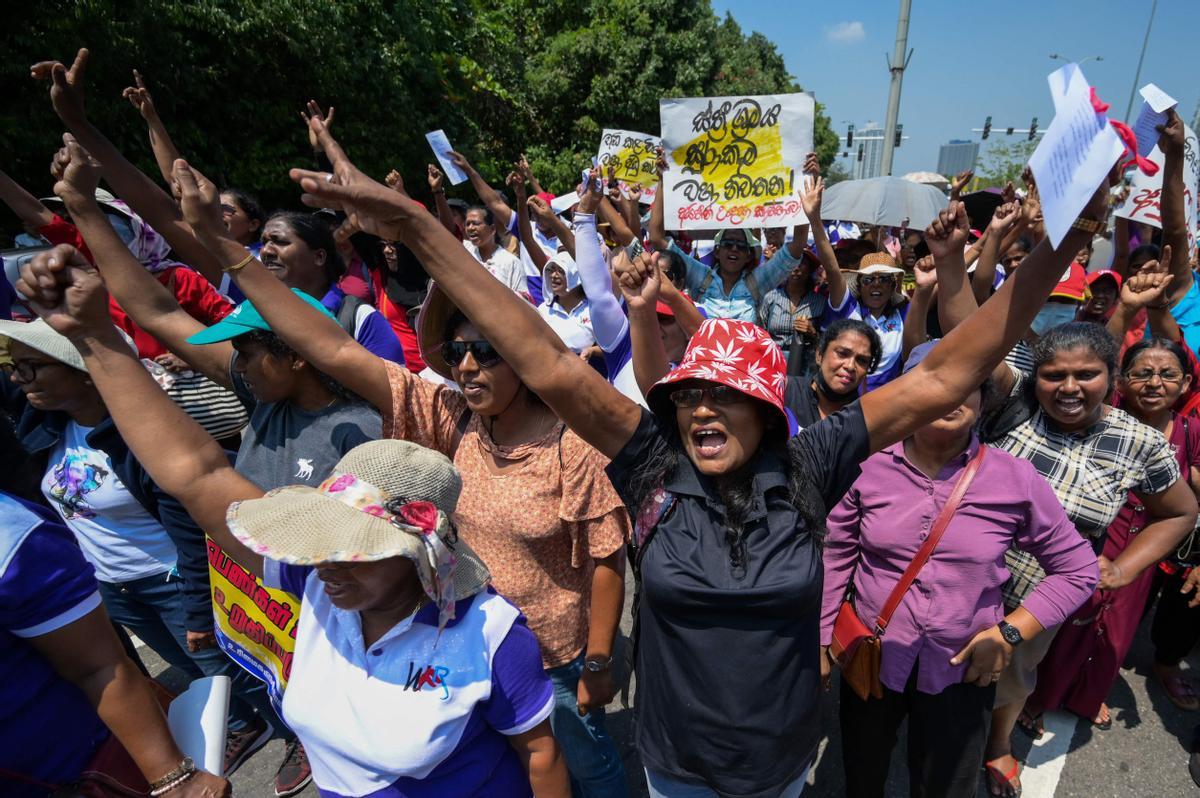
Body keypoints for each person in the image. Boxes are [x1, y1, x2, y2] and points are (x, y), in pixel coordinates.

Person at [270, 117, 1113, 798]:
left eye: (723, 396)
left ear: (762, 408)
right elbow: (541, 357)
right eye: (686, 396)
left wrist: (1056, 246)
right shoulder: (650, 464)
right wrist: (419, 227)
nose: (700, 406)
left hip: (782, 762)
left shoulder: (814, 464)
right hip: (674, 767)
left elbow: (954, 370)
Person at [14, 244, 571, 797]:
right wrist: (94, 339)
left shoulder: (489, 634)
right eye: (322, 540)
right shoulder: (319, 587)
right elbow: (197, 476)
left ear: (417, 556)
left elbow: (540, 754)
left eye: (355, 548)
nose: (325, 564)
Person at [169, 152, 633, 798]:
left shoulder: (571, 449)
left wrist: (600, 660)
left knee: (580, 764)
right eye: (459, 351)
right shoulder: (449, 421)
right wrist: (230, 253)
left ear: (524, 362)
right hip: (442, 637)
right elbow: (329, 348)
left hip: (550, 654)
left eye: (487, 352)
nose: (466, 366)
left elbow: (608, 560)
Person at [49, 139, 382, 795]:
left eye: (249, 355)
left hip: (353, 637)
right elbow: (154, 312)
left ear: (295, 356)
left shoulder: (362, 435)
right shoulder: (261, 395)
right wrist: (84, 211)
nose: (238, 368)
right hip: (278, 632)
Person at [822, 341, 1098, 798]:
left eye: (966, 385)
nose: (951, 398)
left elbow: (1077, 570)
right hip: (871, 659)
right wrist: (821, 637)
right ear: (907, 394)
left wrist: (1009, 634)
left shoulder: (1015, 479)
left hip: (963, 671)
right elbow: (836, 554)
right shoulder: (865, 465)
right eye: (934, 385)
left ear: (983, 397)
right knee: (862, 771)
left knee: (946, 786)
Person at [0, 318, 271, 775]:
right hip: (117, 589)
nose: (17, 378)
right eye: (15, 368)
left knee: (240, 670)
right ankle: (245, 726)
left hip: (174, 580)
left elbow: (190, 532)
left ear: (83, 370)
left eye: (31, 367)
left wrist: (199, 605)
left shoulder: (142, 435)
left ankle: (294, 733)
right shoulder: (44, 429)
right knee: (195, 671)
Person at [32, 56, 405, 365]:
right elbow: (167, 212)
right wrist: (77, 123)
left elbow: (394, 406)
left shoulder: (359, 321)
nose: (267, 250)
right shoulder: (252, 301)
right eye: (263, 242)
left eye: (279, 241)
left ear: (320, 255)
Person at [0, 489, 230, 798]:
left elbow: (100, 667)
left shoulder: (11, 538)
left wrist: (175, 780)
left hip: (76, 776)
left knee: (217, 665)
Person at [1027, 336, 1200, 730]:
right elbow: (1090, 355)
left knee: (1118, 627)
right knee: (1073, 617)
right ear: (1119, 383)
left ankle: (1087, 694)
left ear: (1186, 384)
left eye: (1167, 374)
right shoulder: (1100, 411)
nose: (1154, 383)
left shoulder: (1191, 432)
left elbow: (1189, 504)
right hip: (1107, 528)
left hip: (1148, 539)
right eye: (1143, 373)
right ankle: (1040, 697)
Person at [647, 150, 813, 323]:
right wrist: (663, 181)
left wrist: (804, 181)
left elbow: (796, 247)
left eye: (741, 246)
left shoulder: (757, 281)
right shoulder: (701, 277)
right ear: (717, 251)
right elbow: (657, 237)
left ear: (748, 255)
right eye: (728, 243)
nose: (734, 248)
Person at [759, 250, 824, 376]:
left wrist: (812, 332)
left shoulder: (819, 302)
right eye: (792, 263)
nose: (796, 267)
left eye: (802, 263)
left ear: (810, 270)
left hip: (805, 366)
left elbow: (826, 341)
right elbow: (760, 333)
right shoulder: (771, 297)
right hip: (773, 362)